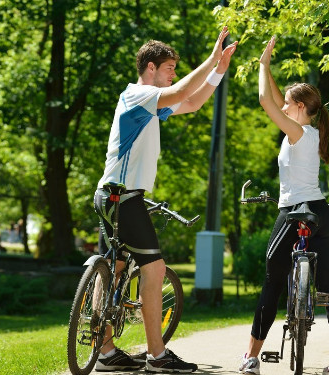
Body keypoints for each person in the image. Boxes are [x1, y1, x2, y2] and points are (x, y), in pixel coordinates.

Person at [94, 27, 238, 373]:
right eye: (169, 67)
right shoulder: (137, 95)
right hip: (123, 196)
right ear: (151, 68)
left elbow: (191, 102)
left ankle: (104, 351)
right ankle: (157, 356)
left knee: (112, 270)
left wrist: (219, 70)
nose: (173, 72)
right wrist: (211, 59)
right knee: (154, 269)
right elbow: (179, 91)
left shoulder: (149, 105)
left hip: (111, 195)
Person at [237, 36, 329, 375]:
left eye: (288, 104)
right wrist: (267, 66)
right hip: (319, 211)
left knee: (272, 283)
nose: (283, 107)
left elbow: (263, 99)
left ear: (300, 108)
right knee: (328, 287)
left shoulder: (296, 132)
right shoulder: (310, 131)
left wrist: (260, 67)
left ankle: (251, 357)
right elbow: (274, 97)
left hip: (293, 211)